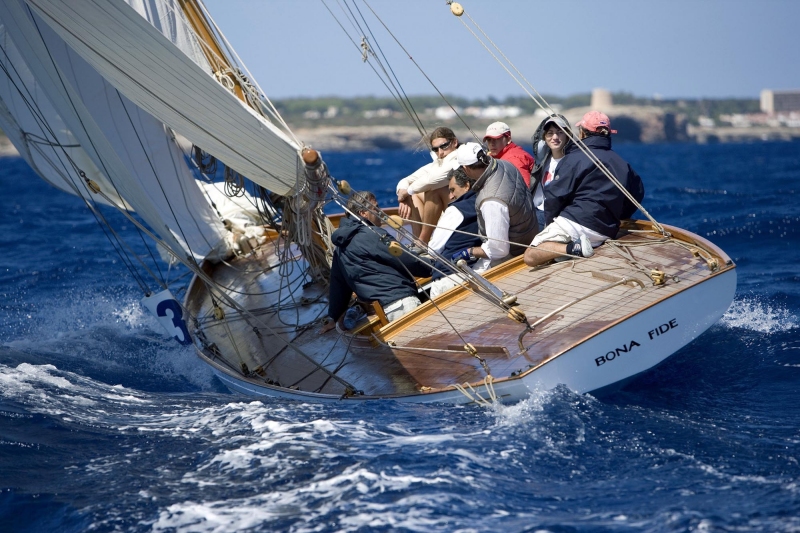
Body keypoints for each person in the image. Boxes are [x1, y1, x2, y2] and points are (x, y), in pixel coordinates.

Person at [523, 111, 645, 268]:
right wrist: (618, 217)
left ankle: (574, 248)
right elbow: (636, 195)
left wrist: (550, 224)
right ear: (608, 135)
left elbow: (555, 196)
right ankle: (573, 248)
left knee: (531, 256)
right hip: (605, 231)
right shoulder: (622, 163)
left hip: (576, 222)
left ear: (582, 132)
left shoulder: (574, 158)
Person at [321, 191, 431, 332]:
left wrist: (333, 317)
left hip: (381, 313)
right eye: (376, 208)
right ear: (363, 213)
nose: (381, 212)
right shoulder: (374, 234)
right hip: (403, 304)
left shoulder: (340, 248)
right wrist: (440, 266)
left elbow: (339, 286)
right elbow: (410, 262)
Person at [452, 142, 538, 268]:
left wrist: (469, 252)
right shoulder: (504, 164)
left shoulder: (490, 200)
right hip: (530, 236)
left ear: (466, 168)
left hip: (514, 256)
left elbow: (499, 250)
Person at [426, 168, 484, 298]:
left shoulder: (456, 210)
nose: (450, 196)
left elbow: (433, 249)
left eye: (452, 190)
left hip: (447, 279)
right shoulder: (484, 203)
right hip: (472, 272)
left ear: (467, 186)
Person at [396, 127, 459, 244]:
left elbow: (432, 180)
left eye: (444, 146)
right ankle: (418, 240)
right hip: (450, 206)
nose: (440, 152)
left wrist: (408, 191)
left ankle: (422, 242)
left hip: (463, 210)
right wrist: (403, 195)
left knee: (433, 190)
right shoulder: (438, 163)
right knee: (414, 195)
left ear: (454, 142)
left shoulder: (459, 157)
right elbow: (406, 180)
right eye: (435, 149)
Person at [529, 114, 572, 229]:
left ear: (568, 135)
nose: (555, 137)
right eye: (550, 133)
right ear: (544, 137)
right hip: (538, 212)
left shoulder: (573, 162)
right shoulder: (542, 160)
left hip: (561, 216)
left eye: (560, 132)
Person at [483, 121, 535, 187]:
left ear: (508, 139)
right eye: (489, 140)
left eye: (496, 139)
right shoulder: (496, 156)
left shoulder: (514, 159)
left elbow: (524, 189)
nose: (492, 144)